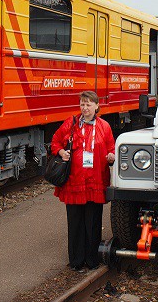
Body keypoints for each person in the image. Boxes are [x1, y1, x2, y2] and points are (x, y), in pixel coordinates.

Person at [51, 91, 115, 272]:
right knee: (75, 222)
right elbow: (55, 142)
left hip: (95, 182)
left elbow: (112, 148)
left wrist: (112, 157)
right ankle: (76, 261)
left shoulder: (104, 126)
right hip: (74, 183)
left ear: (96, 106)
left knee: (93, 222)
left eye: (88, 104)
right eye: (82, 104)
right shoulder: (70, 124)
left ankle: (92, 260)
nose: (85, 108)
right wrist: (61, 152)